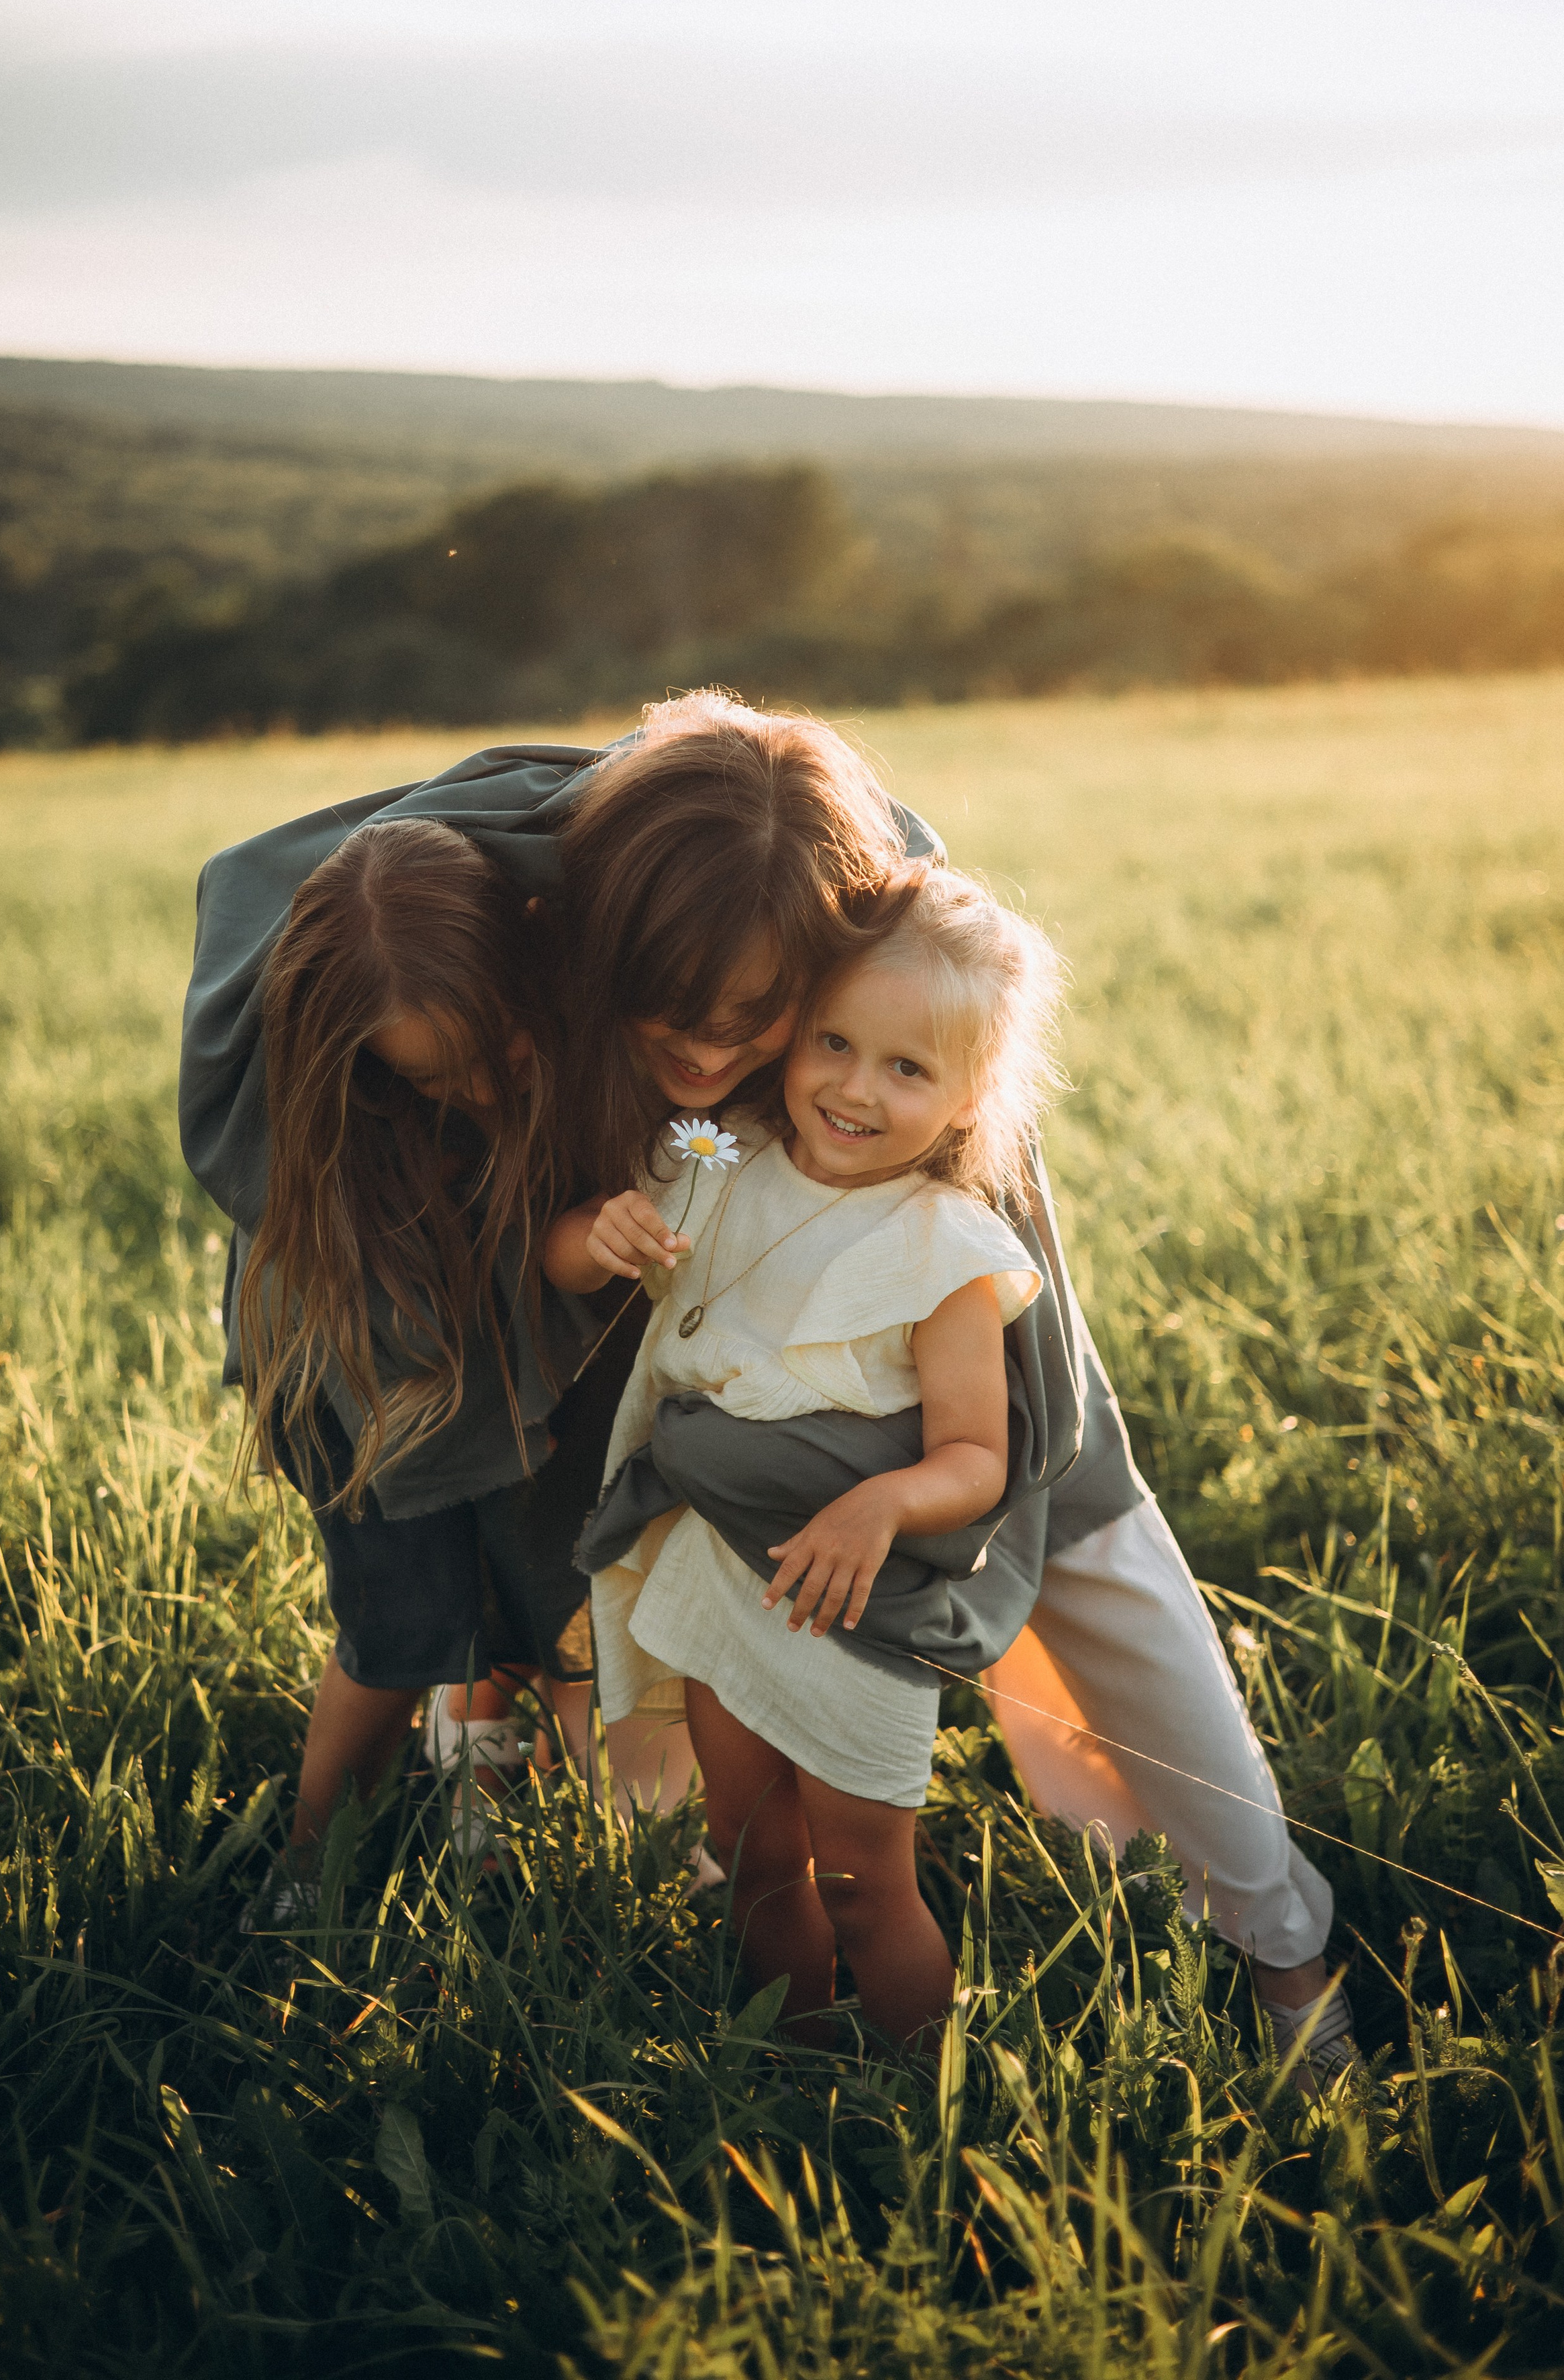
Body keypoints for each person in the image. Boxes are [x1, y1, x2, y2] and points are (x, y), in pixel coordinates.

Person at [183, 690, 1349, 2070]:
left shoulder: (891, 960)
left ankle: (1283, 1952)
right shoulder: (510, 921)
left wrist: (961, 1440)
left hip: (893, 1274)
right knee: (591, 1578)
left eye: (756, 1019)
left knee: (1094, 1541)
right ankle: (620, 1848)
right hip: (623, 1314)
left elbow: (1003, 1363)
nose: (704, 1054)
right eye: (664, 1017)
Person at [551, 868, 1059, 2049]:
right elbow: (568, 1249)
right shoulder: (718, 1157)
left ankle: (916, 2092)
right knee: (750, 1849)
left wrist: (883, 1503)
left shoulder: (947, 1250)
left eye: (907, 1069)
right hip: (723, 1576)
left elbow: (976, 1458)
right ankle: (802, 2058)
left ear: (974, 1096)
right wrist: (597, 1236)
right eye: (833, 1041)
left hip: (845, 1601)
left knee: (864, 1881)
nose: (853, 1088)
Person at [183, 816, 601, 1889]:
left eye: (500, 1052)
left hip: (508, 1373)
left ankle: (521, 1831)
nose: (479, 1087)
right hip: (361, 1396)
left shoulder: (558, 1031)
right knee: (400, 1630)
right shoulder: (330, 1136)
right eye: (436, 1075)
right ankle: (313, 1866)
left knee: (552, 1601)